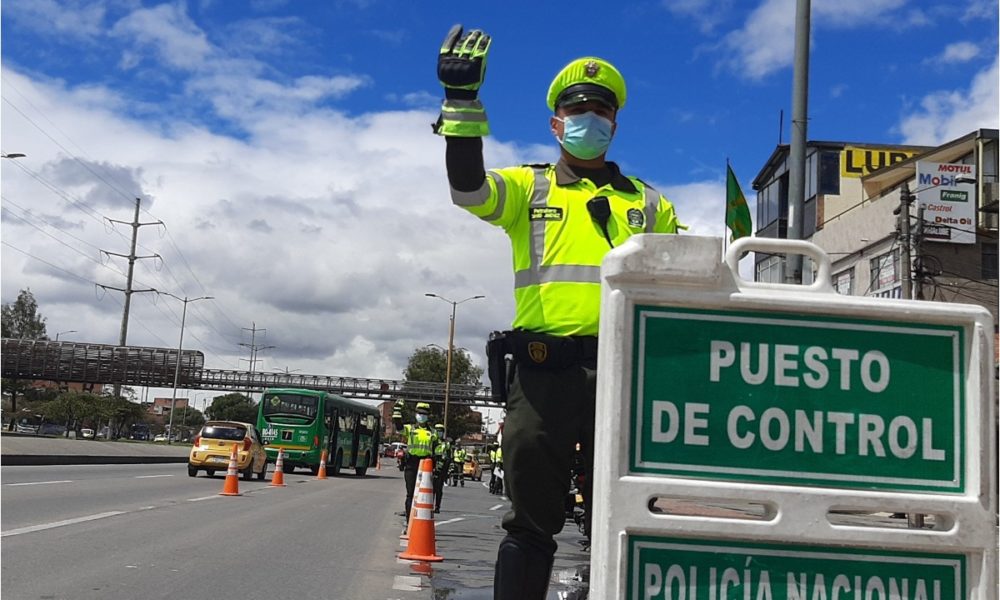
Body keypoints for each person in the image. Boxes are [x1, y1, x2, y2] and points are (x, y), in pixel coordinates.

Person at [434, 25, 683, 598]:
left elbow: (681, 284)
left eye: (600, 110)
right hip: (543, 376)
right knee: (530, 520)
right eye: (577, 110)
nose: (589, 119)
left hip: (625, 378)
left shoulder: (650, 203)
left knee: (621, 517)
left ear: (615, 125)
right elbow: (469, 189)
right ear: (555, 123)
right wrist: (462, 105)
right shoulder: (531, 188)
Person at [392, 401, 438, 530]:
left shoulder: (433, 433)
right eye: (419, 413)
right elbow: (399, 426)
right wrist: (397, 410)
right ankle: (409, 522)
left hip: (426, 465)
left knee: (425, 496)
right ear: (415, 414)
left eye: (424, 414)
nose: (421, 416)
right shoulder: (410, 428)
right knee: (410, 494)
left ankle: (423, 524)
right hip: (412, 463)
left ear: (428, 416)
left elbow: (438, 447)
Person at [432, 423, 450, 513]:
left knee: (439, 489)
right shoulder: (432, 441)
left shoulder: (446, 443)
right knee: (430, 489)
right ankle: (429, 505)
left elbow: (449, 457)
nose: (439, 433)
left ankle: (437, 506)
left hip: (441, 469)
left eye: (441, 431)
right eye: (437, 431)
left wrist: (447, 471)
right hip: (431, 468)